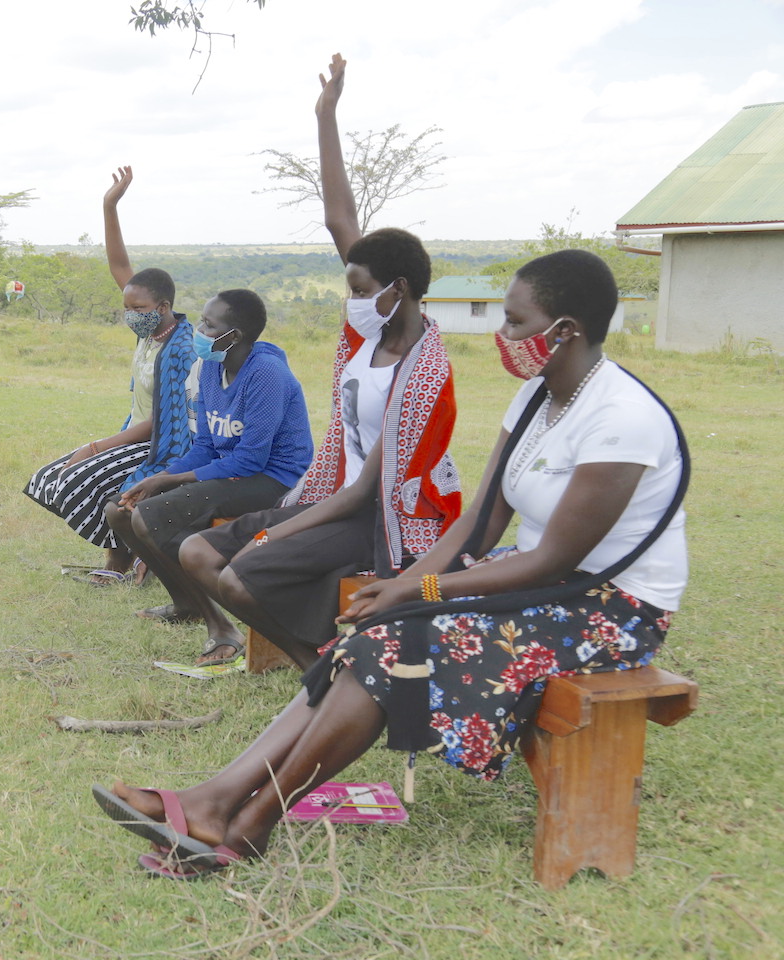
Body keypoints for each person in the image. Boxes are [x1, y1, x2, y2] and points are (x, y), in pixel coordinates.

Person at [93, 248, 688, 879]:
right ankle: (216, 804)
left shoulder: (621, 419)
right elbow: (480, 522)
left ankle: (247, 823)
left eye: (515, 322)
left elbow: (553, 559)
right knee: (373, 636)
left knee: (392, 643)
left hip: (610, 608)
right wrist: (405, 583)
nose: (503, 336)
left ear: (564, 330)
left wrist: (422, 588)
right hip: (541, 581)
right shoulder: (538, 401)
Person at [175, 53, 460, 667]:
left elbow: (370, 492)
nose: (350, 301)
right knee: (199, 552)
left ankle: (320, 673)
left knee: (240, 573)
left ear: (399, 288)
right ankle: (324, 669)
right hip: (334, 493)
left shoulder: (425, 374)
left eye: (359, 290)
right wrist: (327, 116)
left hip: (381, 517)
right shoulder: (367, 335)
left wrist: (282, 527)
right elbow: (340, 220)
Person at [106, 288, 313, 642]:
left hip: (272, 477)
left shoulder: (266, 373)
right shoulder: (210, 368)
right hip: (229, 469)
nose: (199, 329)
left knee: (152, 515)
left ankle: (221, 625)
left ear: (234, 336)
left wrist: (172, 482)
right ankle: (185, 603)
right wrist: (161, 476)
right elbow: (204, 445)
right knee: (119, 510)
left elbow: (251, 460)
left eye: (208, 324)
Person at [24, 166, 197, 586]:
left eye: (139, 309)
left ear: (164, 305)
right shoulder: (152, 327)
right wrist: (109, 205)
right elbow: (119, 264)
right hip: (135, 432)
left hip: (164, 444)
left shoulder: (181, 348)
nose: (131, 315)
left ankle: (136, 562)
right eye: (128, 308)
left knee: (89, 476)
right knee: (50, 478)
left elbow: (165, 420)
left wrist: (97, 445)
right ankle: (125, 563)